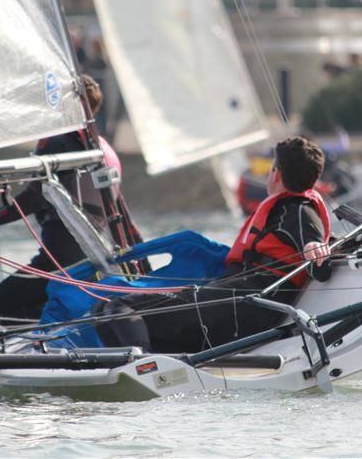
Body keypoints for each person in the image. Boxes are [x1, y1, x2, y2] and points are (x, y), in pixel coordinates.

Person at [95, 136, 332, 353]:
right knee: (104, 312)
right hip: (236, 300)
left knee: (121, 307)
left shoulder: (299, 210)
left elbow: (319, 262)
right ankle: (152, 362)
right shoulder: (287, 210)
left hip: (249, 305)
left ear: (276, 174)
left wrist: (316, 248)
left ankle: (143, 367)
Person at [0, 74, 122, 323]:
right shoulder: (100, 145)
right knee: (29, 311)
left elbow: (34, 198)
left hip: (61, 253)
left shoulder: (59, 143)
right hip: (93, 251)